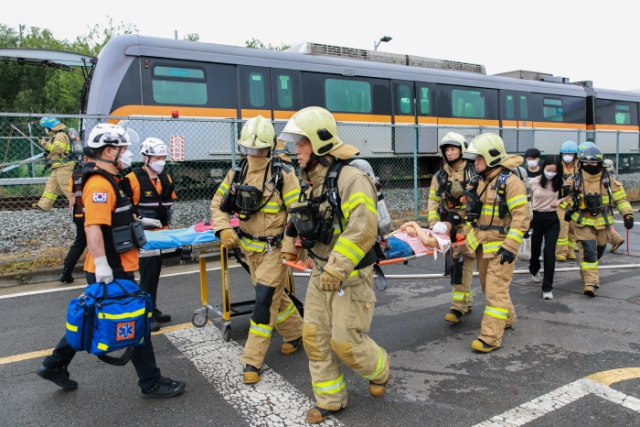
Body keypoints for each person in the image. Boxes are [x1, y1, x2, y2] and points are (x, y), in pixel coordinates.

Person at [36, 123, 186, 398]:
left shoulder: (110, 180)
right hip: (112, 268)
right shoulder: (99, 184)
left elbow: (114, 217)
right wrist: (103, 264)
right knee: (137, 321)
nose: (126, 155)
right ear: (108, 151)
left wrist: (141, 220)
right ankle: (151, 381)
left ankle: (54, 364)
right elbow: (93, 226)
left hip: (113, 265)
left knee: (89, 318)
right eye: (123, 149)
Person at [280, 106, 390, 424]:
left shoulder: (352, 178)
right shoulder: (309, 180)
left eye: (301, 143)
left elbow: (363, 228)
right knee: (314, 336)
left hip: (350, 276)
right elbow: (297, 219)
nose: (295, 149)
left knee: (344, 341)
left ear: (318, 143)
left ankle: (380, 367)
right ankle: (330, 400)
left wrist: (337, 267)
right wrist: (291, 249)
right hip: (320, 271)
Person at [211, 116, 303, 385]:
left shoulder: (284, 175)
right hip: (249, 250)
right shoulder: (236, 173)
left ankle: (252, 360)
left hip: (274, 251)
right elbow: (218, 205)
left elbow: (296, 215)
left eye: (259, 148)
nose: (254, 153)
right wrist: (224, 229)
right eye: (249, 148)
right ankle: (296, 332)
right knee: (274, 295)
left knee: (263, 301)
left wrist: (289, 249)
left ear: (270, 147)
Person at [460, 133, 530, 353]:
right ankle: (507, 317)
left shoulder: (511, 183)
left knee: (494, 291)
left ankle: (490, 337)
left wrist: (510, 247)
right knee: (487, 287)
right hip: (482, 246)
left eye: (478, 158)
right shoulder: (480, 182)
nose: (474, 163)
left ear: (491, 158)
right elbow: (475, 217)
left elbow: (522, 218)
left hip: (501, 249)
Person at [564, 145, 634, 297]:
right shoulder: (575, 179)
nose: (589, 165)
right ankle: (591, 283)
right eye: (586, 162)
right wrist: (566, 202)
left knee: (598, 251)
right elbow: (564, 195)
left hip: (603, 222)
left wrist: (627, 215)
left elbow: (620, 199)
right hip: (582, 222)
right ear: (581, 163)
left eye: (593, 163)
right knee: (589, 251)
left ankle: (587, 272)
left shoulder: (609, 181)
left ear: (600, 163)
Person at [126, 137, 177, 332]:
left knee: (154, 274)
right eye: (157, 156)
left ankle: (152, 308)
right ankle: (145, 314)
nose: (161, 161)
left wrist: (168, 226)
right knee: (147, 276)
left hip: (160, 235)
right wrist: (140, 220)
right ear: (145, 157)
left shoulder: (166, 178)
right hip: (143, 237)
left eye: (163, 157)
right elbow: (126, 208)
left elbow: (169, 204)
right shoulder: (132, 179)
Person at [426, 132, 476, 324]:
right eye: (446, 149)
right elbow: (432, 201)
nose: (449, 152)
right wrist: (434, 225)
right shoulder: (439, 176)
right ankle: (464, 302)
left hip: (471, 226)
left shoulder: (473, 173)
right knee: (459, 263)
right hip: (450, 225)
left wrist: (470, 225)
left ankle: (458, 307)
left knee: (463, 263)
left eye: (453, 148)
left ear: (462, 150)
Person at [57, 147, 96, 283]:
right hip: (95, 214)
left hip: (79, 214)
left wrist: (72, 214)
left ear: (85, 158)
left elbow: (72, 195)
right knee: (99, 241)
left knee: (79, 243)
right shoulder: (101, 173)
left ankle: (66, 272)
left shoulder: (76, 174)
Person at [528, 156, 563, 300]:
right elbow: (526, 199)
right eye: (549, 170)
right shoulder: (533, 182)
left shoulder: (560, 182)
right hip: (536, 218)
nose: (551, 173)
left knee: (549, 251)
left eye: (554, 171)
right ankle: (534, 268)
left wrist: (560, 201)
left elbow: (569, 195)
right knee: (535, 249)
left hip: (552, 219)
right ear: (544, 168)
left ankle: (547, 287)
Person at [34, 117, 75, 211]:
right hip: (58, 166)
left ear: (50, 128)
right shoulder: (56, 136)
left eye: (45, 128)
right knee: (51, 186)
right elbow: (54, 151)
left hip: (64, 166)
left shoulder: (60, 135)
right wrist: (47, 157)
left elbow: (59, 149)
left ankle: (78, 205)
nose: (45, 130)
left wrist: (44, 143)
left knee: (66, 186)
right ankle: (43, 206)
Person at [556, 141, 580, 261]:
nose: (567, 156)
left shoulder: (580, 166)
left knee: (572, 228)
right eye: (565, 153)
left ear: (575, 155)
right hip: (561, 201)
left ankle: (570, 250)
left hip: (574, 201)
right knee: (562, 227)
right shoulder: (557, 165)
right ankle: (561, 251)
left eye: (570, 154)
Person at [384, 221, 452, 258]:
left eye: (447, 225)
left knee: (378, 248)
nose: (443, 223)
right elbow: (401, 229)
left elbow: (426, 241)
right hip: (394, 237)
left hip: (405, 244)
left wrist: (413, 224)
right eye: (443, 222)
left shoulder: (444, 240)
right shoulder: (428, 231)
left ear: (449, 234)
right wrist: (407, 227)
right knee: (376, 243)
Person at [603, 159, 625, 252]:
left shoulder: (605, 175)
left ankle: (616, 240)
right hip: (604, 204)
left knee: (602, 225)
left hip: (601, 205)